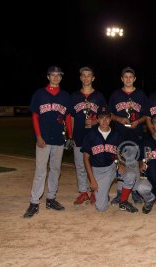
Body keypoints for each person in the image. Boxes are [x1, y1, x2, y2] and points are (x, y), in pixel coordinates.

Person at [23, 66, 73, 218]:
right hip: (43, 139)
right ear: (48, 77)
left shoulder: (65, 96)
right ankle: (34, 202)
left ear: (61, 78)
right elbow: (35, 117)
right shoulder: (40, 94)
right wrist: (38, 136)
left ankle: (51, 199)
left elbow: (68, 117)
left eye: (58, 75)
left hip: (58, 139)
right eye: (53, 75)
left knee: (55, 170)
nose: (56, 77)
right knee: (40, 171)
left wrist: (70, 136)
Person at [108, 67, 147, 206]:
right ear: (122, 78)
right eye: (126, 76)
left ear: (134, 78)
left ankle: (135, 191)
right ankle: (120, 192)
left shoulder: (141, 94)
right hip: (119, 134)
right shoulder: (115, 95)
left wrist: (138, 121)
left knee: (134, 164)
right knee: (120, 164)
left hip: (135, 135)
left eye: (131, 76)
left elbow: (146, 115)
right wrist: (119, 119)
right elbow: (109, 114)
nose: (128, 79)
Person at [71, 66, 107, 206]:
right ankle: (83, 192)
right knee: (80, 165)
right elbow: (72, 117)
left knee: (94, 165)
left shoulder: (99, 96)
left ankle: (94, 192)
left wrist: (95, 121)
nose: (86, 78)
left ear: (93, 78)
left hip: (95, 136)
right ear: (80, 78)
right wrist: (71, 135)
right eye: (83, 75)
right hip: (79, 135)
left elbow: (105, 117)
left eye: (89, 75)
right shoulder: (74, 96)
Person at [81, 106, 125, 212]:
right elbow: (86, 158)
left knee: (131, 174)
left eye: (107, 118)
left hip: (112, 168)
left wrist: (122, 163)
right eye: (101, 118)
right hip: (97, 171)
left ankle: (122, 197)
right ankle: (103, 191)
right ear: (97, 119)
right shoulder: (91, 135)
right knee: (101, 207)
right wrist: (92, 180)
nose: (104, 121)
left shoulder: (116, 135)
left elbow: (121, 153)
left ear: (110, 119)